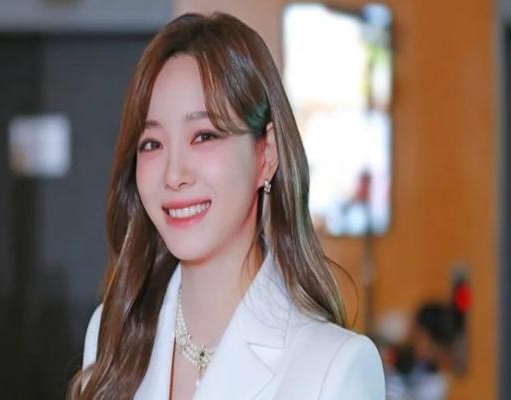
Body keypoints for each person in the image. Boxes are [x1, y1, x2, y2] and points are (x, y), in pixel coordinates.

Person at [69, 12, 385, 400]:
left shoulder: (334, 368)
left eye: (204, 136)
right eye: (152, 143)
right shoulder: (112, 335)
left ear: (266, 154)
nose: (174, 174)